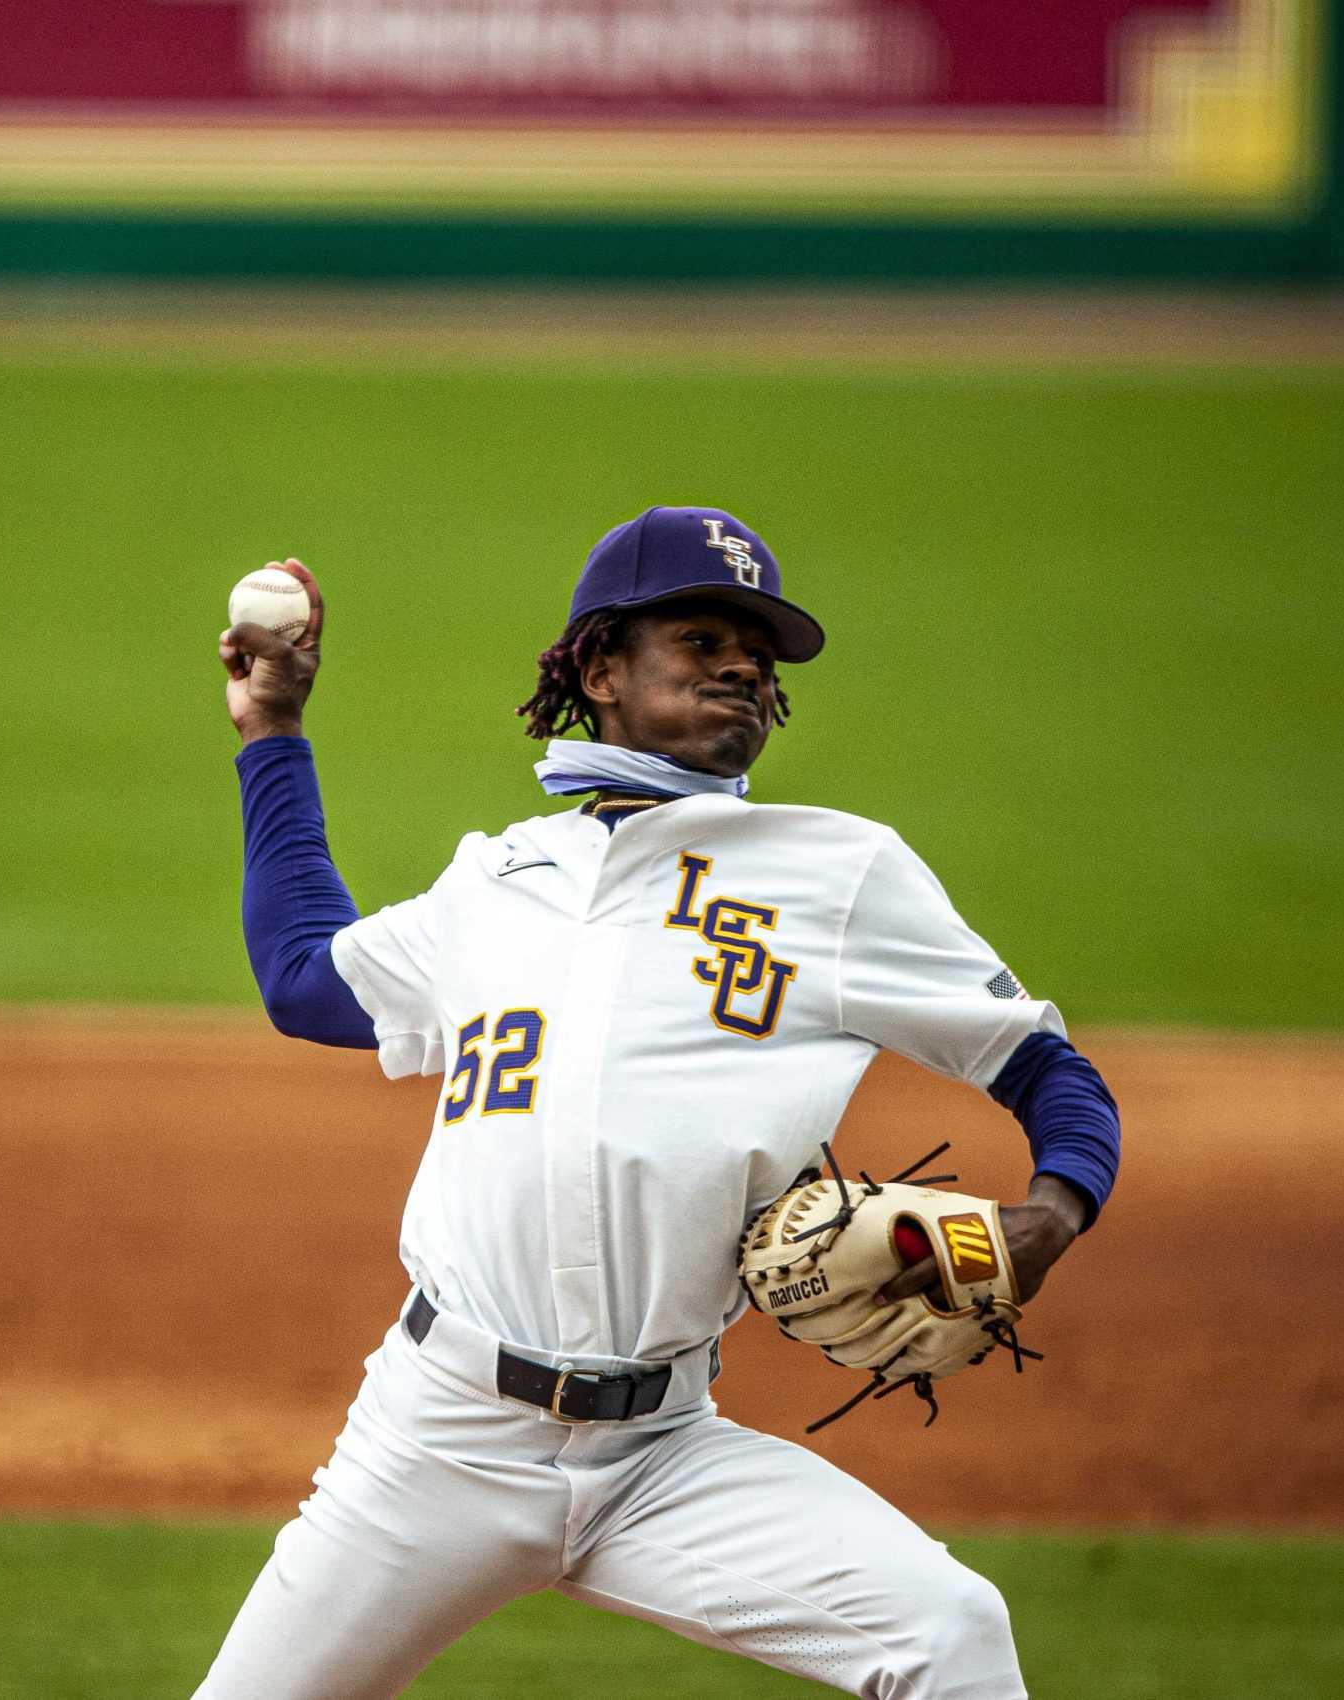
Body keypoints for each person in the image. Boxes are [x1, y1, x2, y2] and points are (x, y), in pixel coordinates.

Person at [202, 506, 1121, 1699]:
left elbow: (1048, 1068)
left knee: (952, 1630)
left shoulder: (837, 872)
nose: (741, 664)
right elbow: (303, 979)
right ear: (601, 668)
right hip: (438, 1438)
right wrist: (273, 730)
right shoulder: (499, 875)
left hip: (661, 1452)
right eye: (700, 637)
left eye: (759, 652)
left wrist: (1048, 1217)